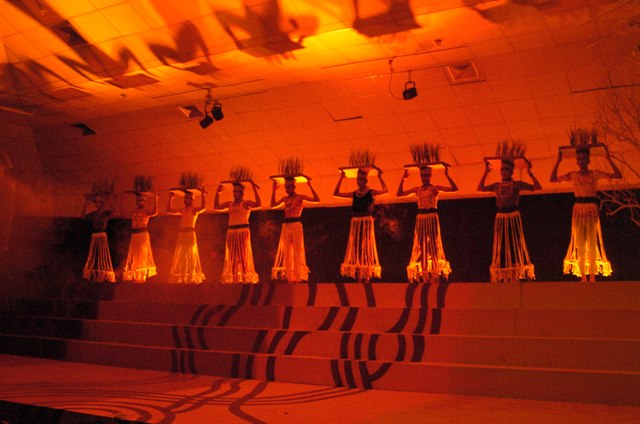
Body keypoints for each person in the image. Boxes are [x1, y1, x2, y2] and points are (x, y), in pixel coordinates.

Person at [550, 147, 622, 282]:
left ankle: (592, 276)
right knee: (580, 242)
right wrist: (558, 161)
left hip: (590, 208)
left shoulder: (595, 173)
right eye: (579, 159)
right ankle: (583, 275)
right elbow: (552, 179)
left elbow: (617, 175)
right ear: (577, 161)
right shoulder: (573, 175)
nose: (582, 161)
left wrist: (608, 159)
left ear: (588, 160)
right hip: (579, 208)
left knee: (592, 240)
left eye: (584, 159)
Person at [478, 158, 541, 283]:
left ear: (512, 172)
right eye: (502, 169)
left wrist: (530, 172)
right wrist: (486, 172)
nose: (504, 172)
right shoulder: (497, 185)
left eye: (507, 170)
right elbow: (480, 188)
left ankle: (515, 274)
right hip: (501, 217)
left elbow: (537, 187)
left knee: (514, 243)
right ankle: (504, 275)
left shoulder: (517, 184)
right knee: (501, 245)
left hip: (513, 216)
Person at [397, 165, 458, 283]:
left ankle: (434, 273)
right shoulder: (417, 189)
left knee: (434, 244)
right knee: (422, 245)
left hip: (432, 216)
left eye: (426, 175)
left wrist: (447, 174)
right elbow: (399, 193)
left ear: (430, 176)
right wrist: (403, 179)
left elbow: (454, 189)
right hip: (421, 217)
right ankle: (425, 273)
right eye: (422, 176)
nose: (424, 178)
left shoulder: (435, 188)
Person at [334, 167, 388, 283]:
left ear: (366, 181)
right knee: (357, 247)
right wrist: (341, 178)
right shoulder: (354, 193)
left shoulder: (370, 192)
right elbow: (336, 193)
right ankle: (359, 276)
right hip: (356, 222)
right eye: (358, 179)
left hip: (366, 221)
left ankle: (366, 276)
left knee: (366, 247)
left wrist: (380, 177)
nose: (359, 181)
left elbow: (385, 191)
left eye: (362, 179)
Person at [270, 177, 319, 282]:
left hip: (296, 223)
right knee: (287, 252)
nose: (287, 189)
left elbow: (316, 199)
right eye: (285, 187)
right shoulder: (285, 199)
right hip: (286, 225)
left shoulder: (300, 197)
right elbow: (272, 205)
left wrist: (310, 186)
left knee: (297, 250)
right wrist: (274, 190)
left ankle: (297, 278)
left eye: (288, 187)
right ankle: (289, 278)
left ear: (293, 187)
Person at [215, 180, 261, 283]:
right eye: (234, 191)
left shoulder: (245, 203)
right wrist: (217, 193)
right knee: (232, 256)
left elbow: (258, 205)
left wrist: (254, 188)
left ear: (242, 193)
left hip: (242, 231)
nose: (235, 194)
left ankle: (245, 278)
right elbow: (216, 207)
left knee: (242, 255)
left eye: (237, 192)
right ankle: (234, 279)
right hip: (231, 231)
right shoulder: (229, 204)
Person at [166, 189, 206, 284]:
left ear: (192, 200)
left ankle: (191, 277)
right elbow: (168, 210)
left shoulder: (194, 210)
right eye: (185, 198)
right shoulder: (182, 210)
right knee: (183, 256)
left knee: (191, 256)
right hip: (182, 234)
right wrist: (171, 198)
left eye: (189, 198)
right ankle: (184, 277)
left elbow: (203, 207)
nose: (186, 200)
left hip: (190, 234)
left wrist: (203, 195)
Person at [122, 192, 158, 282]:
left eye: (142, 200)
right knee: (134, 255)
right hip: (135, 235)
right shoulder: (134, 212)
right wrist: (123, 203)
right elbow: (123, 214)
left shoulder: (146, 211)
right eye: (138, 200)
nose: (140, 202)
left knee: (142, 255)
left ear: (144, 201)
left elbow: (154, 212)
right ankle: (136, 276)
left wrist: (155, 200)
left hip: (142, 235)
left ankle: (142, 277)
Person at [81, 194, 116, 283]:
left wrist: (110, 200)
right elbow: (83, 217)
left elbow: (113, 212)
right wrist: (85, 204)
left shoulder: (106, 213)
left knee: (102, 253)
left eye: (99, 202)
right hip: (95, 235)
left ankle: (102, 275)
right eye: (96, 202)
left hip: (101, 234)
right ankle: (95, 275)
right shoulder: (93, 214)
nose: (96, 204)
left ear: (102, 203)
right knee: (94, 254)